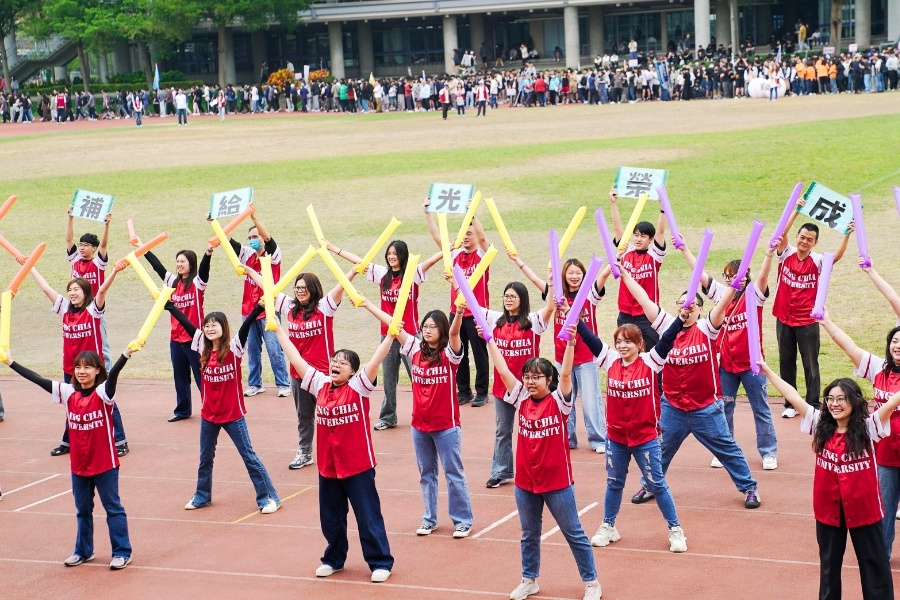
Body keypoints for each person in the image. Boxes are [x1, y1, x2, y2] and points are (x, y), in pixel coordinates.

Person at [620, 266, 762, 509]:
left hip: (705, 408)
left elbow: (722, 305)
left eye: (692, 305)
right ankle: (650, 484)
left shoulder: (708, 327)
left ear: (700, 308)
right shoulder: (666, 326)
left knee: (727, 449)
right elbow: (643, 297)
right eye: (681, 304)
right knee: (660, 450)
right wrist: (624, 274)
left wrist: (734, 285)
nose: (686, 308)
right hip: (673, 407)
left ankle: (750, 488)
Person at [273, 318, 395, 583]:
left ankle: (380, 561)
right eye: (334, 360)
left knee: (367, 516)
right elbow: (296, 359)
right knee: (330, 518)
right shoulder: (320, 384)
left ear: (353, 370)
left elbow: (377, 358)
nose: (336, 364)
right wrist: (279, 330)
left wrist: (390, 334)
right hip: (328, 467)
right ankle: (334, 559)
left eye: (343, 362)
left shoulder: (359, 385)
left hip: (358, 466)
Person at [486, 324, 602, 600]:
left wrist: (571, 344)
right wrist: (490, 340)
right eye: (527, 377)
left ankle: (592, 582)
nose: (530, 381)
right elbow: (503, 370)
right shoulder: (521, 399)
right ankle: (529, 580)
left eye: (537, 377)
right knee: (529, 534)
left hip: (557, 483)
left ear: (548, 380)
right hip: (526, 483)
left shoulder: (560, 402)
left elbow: (565, 373)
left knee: (573, 532)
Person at [761, 363, 896, 600]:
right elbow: (792, 394)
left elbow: (894, 402)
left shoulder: (869, 427)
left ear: (854, 401)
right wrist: (768, 372)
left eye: (841, 399)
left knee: (874, 567)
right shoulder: (818, 424)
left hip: (865, 511)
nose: (834, 404)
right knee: (829, 569)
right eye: (830, 398)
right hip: (829, 512)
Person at [3, 345, 138, 569]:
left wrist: (124, 356)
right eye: (78, 367)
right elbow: (37, 379)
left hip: (105, 464)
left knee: (113, 507)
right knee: (83, 510)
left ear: (97, 371)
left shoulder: (103, 393)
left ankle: (122, 551)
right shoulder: (68, 393)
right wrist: (11, 363)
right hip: (79, 466)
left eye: (87, 367)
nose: (81, 371)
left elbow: (113, 376)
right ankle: (83, 551)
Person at [576, 305, 688, 552]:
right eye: (618, 341)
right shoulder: (610, 360)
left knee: (657, 484)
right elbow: (591, 340)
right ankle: (608, 526)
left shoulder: (652, 361)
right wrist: (575, 319)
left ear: (640, 344)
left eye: (628, 341)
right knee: (614, 483)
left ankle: (676, 530)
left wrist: (680, 319)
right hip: (615, 437)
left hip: (645, 438)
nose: (622, 346)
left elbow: (668, 338)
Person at [366, 299, 475, 538]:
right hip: (419, 426)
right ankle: (429, 519)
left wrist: (458, 312)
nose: (427, 330)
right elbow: (393, 325)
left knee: (453, 473)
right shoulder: (414, 348)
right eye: (425, 326)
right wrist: (367, 305)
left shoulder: (450, 353)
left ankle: (463, 520)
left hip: (446, 426)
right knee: (426, 474)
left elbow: (456, 331)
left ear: (442, 330)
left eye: (433, 327)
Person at [166, 302, 280, 513]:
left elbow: (245, 328)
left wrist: (256, 310)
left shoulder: (234, 347)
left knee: (249, 456)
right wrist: (172, 308)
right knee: (205, 458)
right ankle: (202, 496)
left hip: (233, 415)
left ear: (224, 327)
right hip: (209, 415)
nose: (209, 328)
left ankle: (268, 498)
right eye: (207, 325)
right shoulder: (201, 346)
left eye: (214, 325)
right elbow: (188, 325)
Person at [680, 240, 778, 470]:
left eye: (737, 275)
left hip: (753, 364)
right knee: (725, 408)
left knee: (761, 408)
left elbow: (764, 277)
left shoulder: (755, 295)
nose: (731, 278)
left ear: (746, 276)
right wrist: (685, 249)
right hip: (726, 365)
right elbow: (700, 274)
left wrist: (769, 253)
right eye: (728, 275)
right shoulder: (722, 295)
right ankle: (725, 451)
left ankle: (768, 452)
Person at [243, 263, 352, 470]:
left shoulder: (325, 307)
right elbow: (268, 286)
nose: (300, 292)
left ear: (313, 289)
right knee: (304, 415)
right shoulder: (289, 307)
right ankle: (305, 452)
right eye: (297, 288)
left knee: (332, 414)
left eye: (304, 288)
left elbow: (341, 286)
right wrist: (250, 271)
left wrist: (354, 270)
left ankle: (340, 451)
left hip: (323, 375)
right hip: (298, 374)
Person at [325, 240, 441, 431]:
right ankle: (388, 417)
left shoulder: (413, 273)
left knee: (420, 377)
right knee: (388, 378)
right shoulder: (382, 274)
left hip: (410, 336)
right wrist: (333, 248)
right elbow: (360, 262)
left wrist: (448, 249)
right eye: (389, 253)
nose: (391, 256)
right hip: (387, 336)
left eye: (395, 253)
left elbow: (430, 261)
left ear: (403, 255)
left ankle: (428, 413)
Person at [818, 305, 900, 558]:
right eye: (895, 341)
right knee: (883, 508)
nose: (898, 346)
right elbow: (850, 347)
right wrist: (827, 323)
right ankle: (881, 557)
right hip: (886, 456)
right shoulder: (879, 369)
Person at [31, 266, 128, 459]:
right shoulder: (64, 308)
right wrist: (30, 267)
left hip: (93, 369)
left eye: (76, 290)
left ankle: (120, 441)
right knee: (71, 402)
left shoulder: (93, 311)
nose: (72, 293)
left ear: (85, 292)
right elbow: (45, 288)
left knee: (107, 402)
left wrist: (115, 271)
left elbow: (102, 290)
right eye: (70, 290)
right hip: (71, 368)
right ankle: (68, 441)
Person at [515, 254, 609, 452]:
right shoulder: (556, 296)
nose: (574, 276)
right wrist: (518, 261)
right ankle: (568, 438)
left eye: (578, 273)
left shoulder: (589, 294)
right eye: (570, 273)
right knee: (565, 400)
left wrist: (614, 258)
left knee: (591, 401)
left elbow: (603, 275)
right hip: (561, 358)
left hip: (585, 357)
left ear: (584, 275)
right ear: (564, 275)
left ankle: (599, 440)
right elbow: (534, 280)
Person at [773, 200, 851, 418]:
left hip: (807, 321)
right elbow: (781, 232)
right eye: (802, 237)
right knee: (786, 362)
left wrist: (847, 235)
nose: (804, 241)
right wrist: (796, 210)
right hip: (784, 318)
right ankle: (790, 404)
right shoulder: (785, 252)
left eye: (810, 239)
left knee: (810, 364)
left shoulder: (817, 261)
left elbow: (836, 257)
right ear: (797, 237)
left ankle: (813, 405)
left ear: (815, 243)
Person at [478, 270, 554, 488]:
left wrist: (550, 281)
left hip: (529, 388)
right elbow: (469, 301)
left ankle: (539, 469)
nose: (508, 300)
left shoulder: (533, 321)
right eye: (506, 296)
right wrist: (455, 280)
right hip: (502, 387)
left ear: (522, 300)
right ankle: (501, 471)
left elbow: (550, 307)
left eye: (513, 296)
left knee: (534, 430)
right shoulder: (494, 319)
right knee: (503, 430)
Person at [132, 239, 211, 422]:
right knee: (180, 376)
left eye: (183, 261)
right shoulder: (172, 281)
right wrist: (142, 248)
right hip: (176, 338)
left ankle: (211, 408)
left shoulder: (198, 283)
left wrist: (208, 254)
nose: (179, 264)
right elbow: (157, 267)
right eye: (177, 261)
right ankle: (183, 410)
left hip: (195, 339)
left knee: (201, 376)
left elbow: (205, 270)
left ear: (191, 264)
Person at [424, 201, 491, 407]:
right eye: (463, 234)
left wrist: (472, 214)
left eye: (468, 234)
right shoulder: (454, 255)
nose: (465, 237)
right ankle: (463, 391)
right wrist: (428, 213)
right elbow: (437, 237)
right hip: (457, 312)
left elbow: (482, 237)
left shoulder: (482, 256)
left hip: (478, 313)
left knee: (480, 354)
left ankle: (481, 391)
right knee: (457, 351)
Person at [227, 212, 291, 397]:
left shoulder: (273, 254)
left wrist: (254, 218)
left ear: (262, 238)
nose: (252, 241)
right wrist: (214, 223)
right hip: (248, 311)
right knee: (252, 350)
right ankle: (255, 384)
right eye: (249, 238)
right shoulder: (247, 254)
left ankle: (283, 384)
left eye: (255, 237)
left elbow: (269, 237)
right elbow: (228, 241)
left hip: (268, 309)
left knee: (274, 349)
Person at [609, 187, 668, 349]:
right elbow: (617, 228)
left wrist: (663, 207)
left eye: (643, 236)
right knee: (626, 352)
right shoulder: (625, 251)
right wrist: (613, 203)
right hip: (625, 314)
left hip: (647, 315)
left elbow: (661, 231)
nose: (638, 239)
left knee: (652, 353)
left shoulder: (655, 255)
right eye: (636, 235)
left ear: (650, 239)